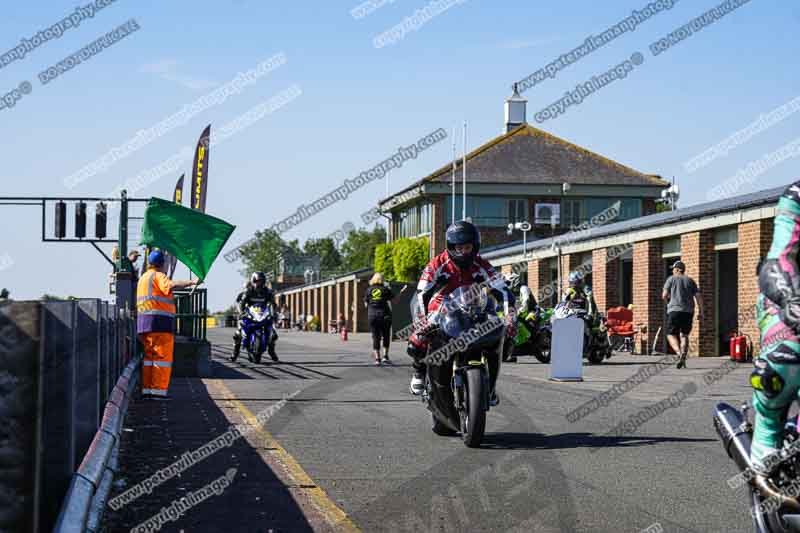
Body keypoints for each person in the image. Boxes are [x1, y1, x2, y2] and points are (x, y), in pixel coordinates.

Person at [406, 221, 516, 406]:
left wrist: (510, 317)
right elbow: (422, 292)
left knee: (503, 336)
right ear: (450, 247)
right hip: (441, 307)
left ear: (475, 246)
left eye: (467, 247)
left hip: (474, 307)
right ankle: (419, 370)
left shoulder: (482, 264)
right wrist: (424, 321)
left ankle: (489, 387)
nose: (464, 252)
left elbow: (503, 291)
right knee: (418, 340)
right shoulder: (437, 264)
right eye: (459, 248)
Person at [750, 182, 800, 474]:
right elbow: (778, 260)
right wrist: (793, 300)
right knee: (787, 357)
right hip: (784, 299)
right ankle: (766, 433)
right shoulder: (797, 198)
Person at [136, 249, 198, 399]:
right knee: (162, 359)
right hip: (159, 324)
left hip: (145, 324)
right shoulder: (158, 276)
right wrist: (192, 282)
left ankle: (148, 391)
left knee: (150, 359)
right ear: (162, 264)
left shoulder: (144, 277)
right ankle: (158, 392)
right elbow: (170, 285)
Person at [662, 260, 702, 369]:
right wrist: (701, 311)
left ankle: (679, 353)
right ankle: (683, 354)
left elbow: (664, 295)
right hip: (688, 312)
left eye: (674, 269)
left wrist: (668, 304)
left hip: (674, 310)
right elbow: (698, 297)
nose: (673, 270)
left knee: (670, 334)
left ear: (677, 269)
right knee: (684, 335)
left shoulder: (670, 279)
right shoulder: (690, 281)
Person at [363, 273, 408, 365]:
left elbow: (366, 304)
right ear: (382, 280)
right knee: (386, 335)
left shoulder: (368, 290)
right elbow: (395, 301)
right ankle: (385, 357)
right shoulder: (386, 289)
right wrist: (402, 292)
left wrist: (373, 303)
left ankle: (377, 359)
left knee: (375, 336)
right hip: (385, 315)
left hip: (373, 316)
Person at [233, 272, 278, 361]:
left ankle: (271, 350)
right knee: (238, 333)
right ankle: (235, 353)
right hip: (250, 314)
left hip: (263, 314)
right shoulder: (248, 291)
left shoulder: (268, 292)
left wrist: (274, 313)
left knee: (273, 334)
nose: (259, 283)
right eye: (257, 281)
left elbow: (273, 304)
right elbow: (242, 303)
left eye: (261, 281)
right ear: (253, 281)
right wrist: (241, 313)